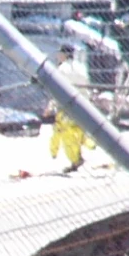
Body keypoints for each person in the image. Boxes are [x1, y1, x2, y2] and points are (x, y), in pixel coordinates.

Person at [49, 42, 89, 172]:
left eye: (60, 53)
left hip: (66, 105)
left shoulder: (62, 69)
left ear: (64, 54)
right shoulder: (81, 67)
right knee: (78, 131)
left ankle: (75, 160)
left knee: (66, 134)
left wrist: (52, 104)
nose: (58, 56)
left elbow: (58, 88)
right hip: (83, 103)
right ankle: (78, 155)